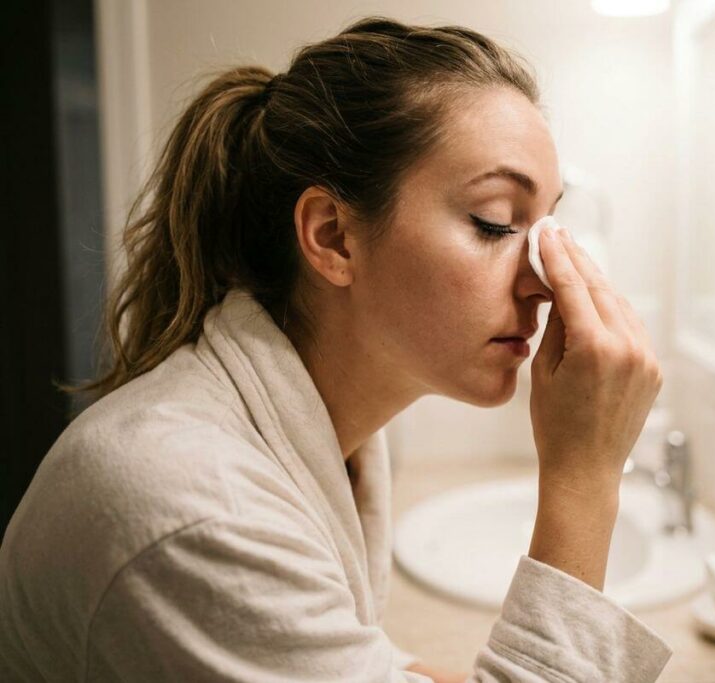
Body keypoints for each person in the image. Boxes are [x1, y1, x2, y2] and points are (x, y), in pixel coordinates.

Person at [0, 15, 670, 682]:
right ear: (333, 236)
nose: (543, 280)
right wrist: (585, 476)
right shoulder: (190, 507)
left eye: (545, 227)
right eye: (495, 221)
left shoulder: (347, 440)